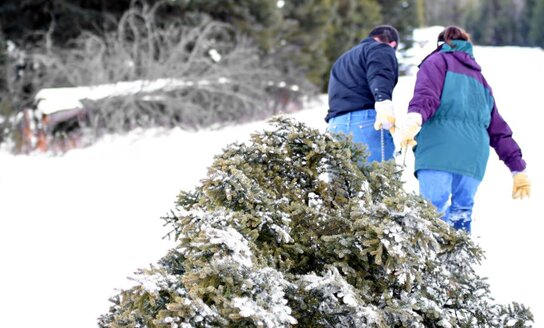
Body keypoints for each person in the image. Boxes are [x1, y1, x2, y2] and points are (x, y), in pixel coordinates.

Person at [398, 25, 530, 233]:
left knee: (430, 214)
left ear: (442, 43)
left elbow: (426, 96)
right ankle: (456, 263)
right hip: (473, 156)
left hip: (438, 150)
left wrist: (414, 118)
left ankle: (428, 264)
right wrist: (517, 168)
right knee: (461, 213)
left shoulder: (436, 61)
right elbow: (498, 128)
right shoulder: (481, 80)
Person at [325, 25, 400, 163]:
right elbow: (380, 74)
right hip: (365, 123)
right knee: (381, 181)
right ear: (392, 44)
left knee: (341, 184)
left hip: (336, 126)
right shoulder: (381, 48)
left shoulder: (342, 59)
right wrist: (384, 103)